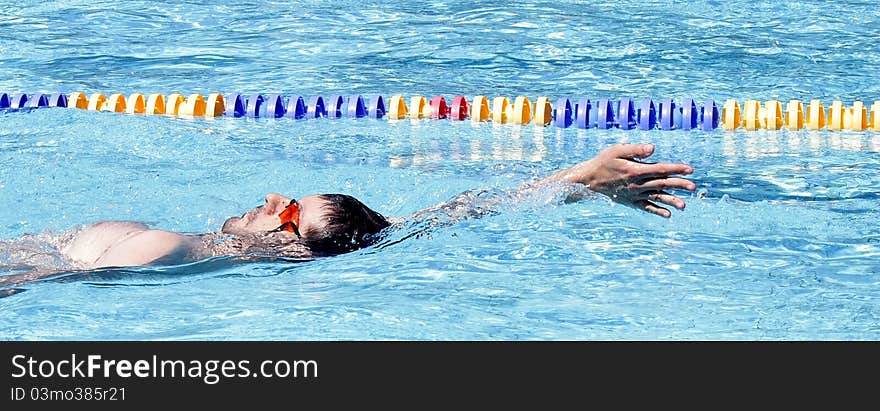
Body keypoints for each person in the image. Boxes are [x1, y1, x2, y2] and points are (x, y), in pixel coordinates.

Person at [0, 143, 695, 289]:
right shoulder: (188, 240)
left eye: (291, 208)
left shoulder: (180, 257)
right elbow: (442, 213)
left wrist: (574, 180)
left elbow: (429, 222)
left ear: (294, 242)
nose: (273, 200)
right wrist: (574, 179)